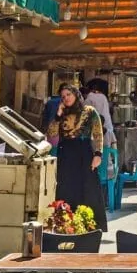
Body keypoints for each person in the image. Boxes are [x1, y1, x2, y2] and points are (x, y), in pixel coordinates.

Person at [48, 83, 107, 231]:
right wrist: (58, 114)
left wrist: (98, 154)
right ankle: (66, 225)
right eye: (63, 96)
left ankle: (90, 226)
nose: (66, 98)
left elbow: (98, 133)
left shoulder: (89, 111)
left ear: (76, 94)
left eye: (68, 94)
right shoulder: (61, 114)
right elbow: (52, 133)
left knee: (87, 188)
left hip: (84, 153)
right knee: (66, 188)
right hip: (66, 154)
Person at [85, 79, 116, 148]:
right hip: (107, 127)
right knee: (106, 149)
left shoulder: (89, 99)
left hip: (97, 127)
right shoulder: (103, 97)